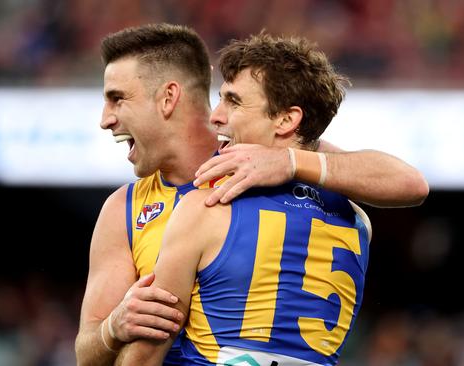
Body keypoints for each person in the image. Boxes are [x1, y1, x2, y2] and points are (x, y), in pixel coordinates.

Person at [75, 24, 428, 366]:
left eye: (117, 99)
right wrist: (112, 329)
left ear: (168, 97)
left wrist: (289, 161)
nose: (105, 119)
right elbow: (86, 354)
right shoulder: (124, 208)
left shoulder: (266, 161)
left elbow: (410, 182)